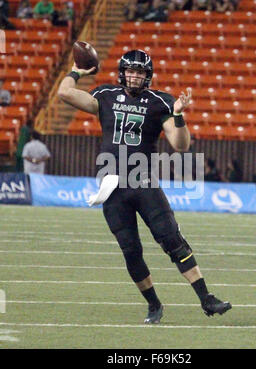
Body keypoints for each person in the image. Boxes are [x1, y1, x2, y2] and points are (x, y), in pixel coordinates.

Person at [58, 49, 232, 324]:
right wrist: (78, 71)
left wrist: (178, 116)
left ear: (147, 75)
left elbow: (181, 145)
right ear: (122, 72)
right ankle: (153, 305)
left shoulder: (160, 102)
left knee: (171, 239)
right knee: (130, 249)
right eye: (131, 71)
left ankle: (206, 299)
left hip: (143, 181)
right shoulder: (105, 95)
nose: (135, 76)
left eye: (140, 72)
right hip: (112, 184)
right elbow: (65, 93)